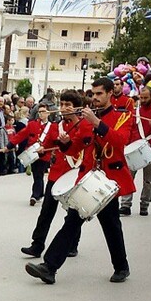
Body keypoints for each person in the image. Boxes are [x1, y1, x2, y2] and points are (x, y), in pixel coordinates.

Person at [25, 77, 135, 284]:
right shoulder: (84, 120)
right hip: (88, 180)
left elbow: (120, 143)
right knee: (73, 221)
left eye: (100, 93)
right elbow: (78, 148)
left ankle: (122, 266)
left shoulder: (122, 117)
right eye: (93, 94)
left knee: (111, 226)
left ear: (111, 93)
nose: (95, 98)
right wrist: (66, 143)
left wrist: (96, 122)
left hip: (109, 180)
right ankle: (49, 267)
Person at [20, 90, 92, 258]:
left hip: (75, 174)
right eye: (63, 104)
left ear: (77, 107)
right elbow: (46, 145)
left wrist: (74, 119)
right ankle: (37, 244)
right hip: (57, 174)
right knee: (46, 211)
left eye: (69, 105)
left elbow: (86, 142)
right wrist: (40, 149)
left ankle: (73, 244)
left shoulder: (84, 124)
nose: (64, 108)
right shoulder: (55, 126)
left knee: (73, 213)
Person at [119, 86, 151, 216]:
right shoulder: (135, 111)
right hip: (134, 148)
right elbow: (129, 129)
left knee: (148, 181)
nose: (142, 100)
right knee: (128, 177)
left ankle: (144, 204)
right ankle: (125, 205)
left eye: (145, 98)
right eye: (141, 98)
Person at [6, 104, 54, 205]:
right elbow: (21, 135)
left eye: (43, 111)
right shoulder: (32, 124)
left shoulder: (52, 126)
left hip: (44, 154)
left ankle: (35, 195)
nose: (41, 114)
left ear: (48, 113)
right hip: (32, 153)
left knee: (38, 174)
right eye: (39, 112)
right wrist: (10, 145)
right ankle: (40, 193)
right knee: (37, 174)